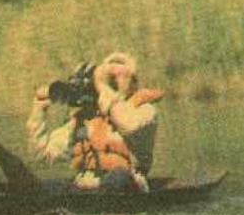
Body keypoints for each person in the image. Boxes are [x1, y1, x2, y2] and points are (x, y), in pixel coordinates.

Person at [26, 52, 163, 192]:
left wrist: (104, 90)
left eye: (115, 80)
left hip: (127, 182)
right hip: (88, 184)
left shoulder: (145, 111)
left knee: (117, 178)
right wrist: (39, 111)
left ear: (134, 83)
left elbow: (127, 125)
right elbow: (42, 156)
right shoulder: (83, 120)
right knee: (41, 188)